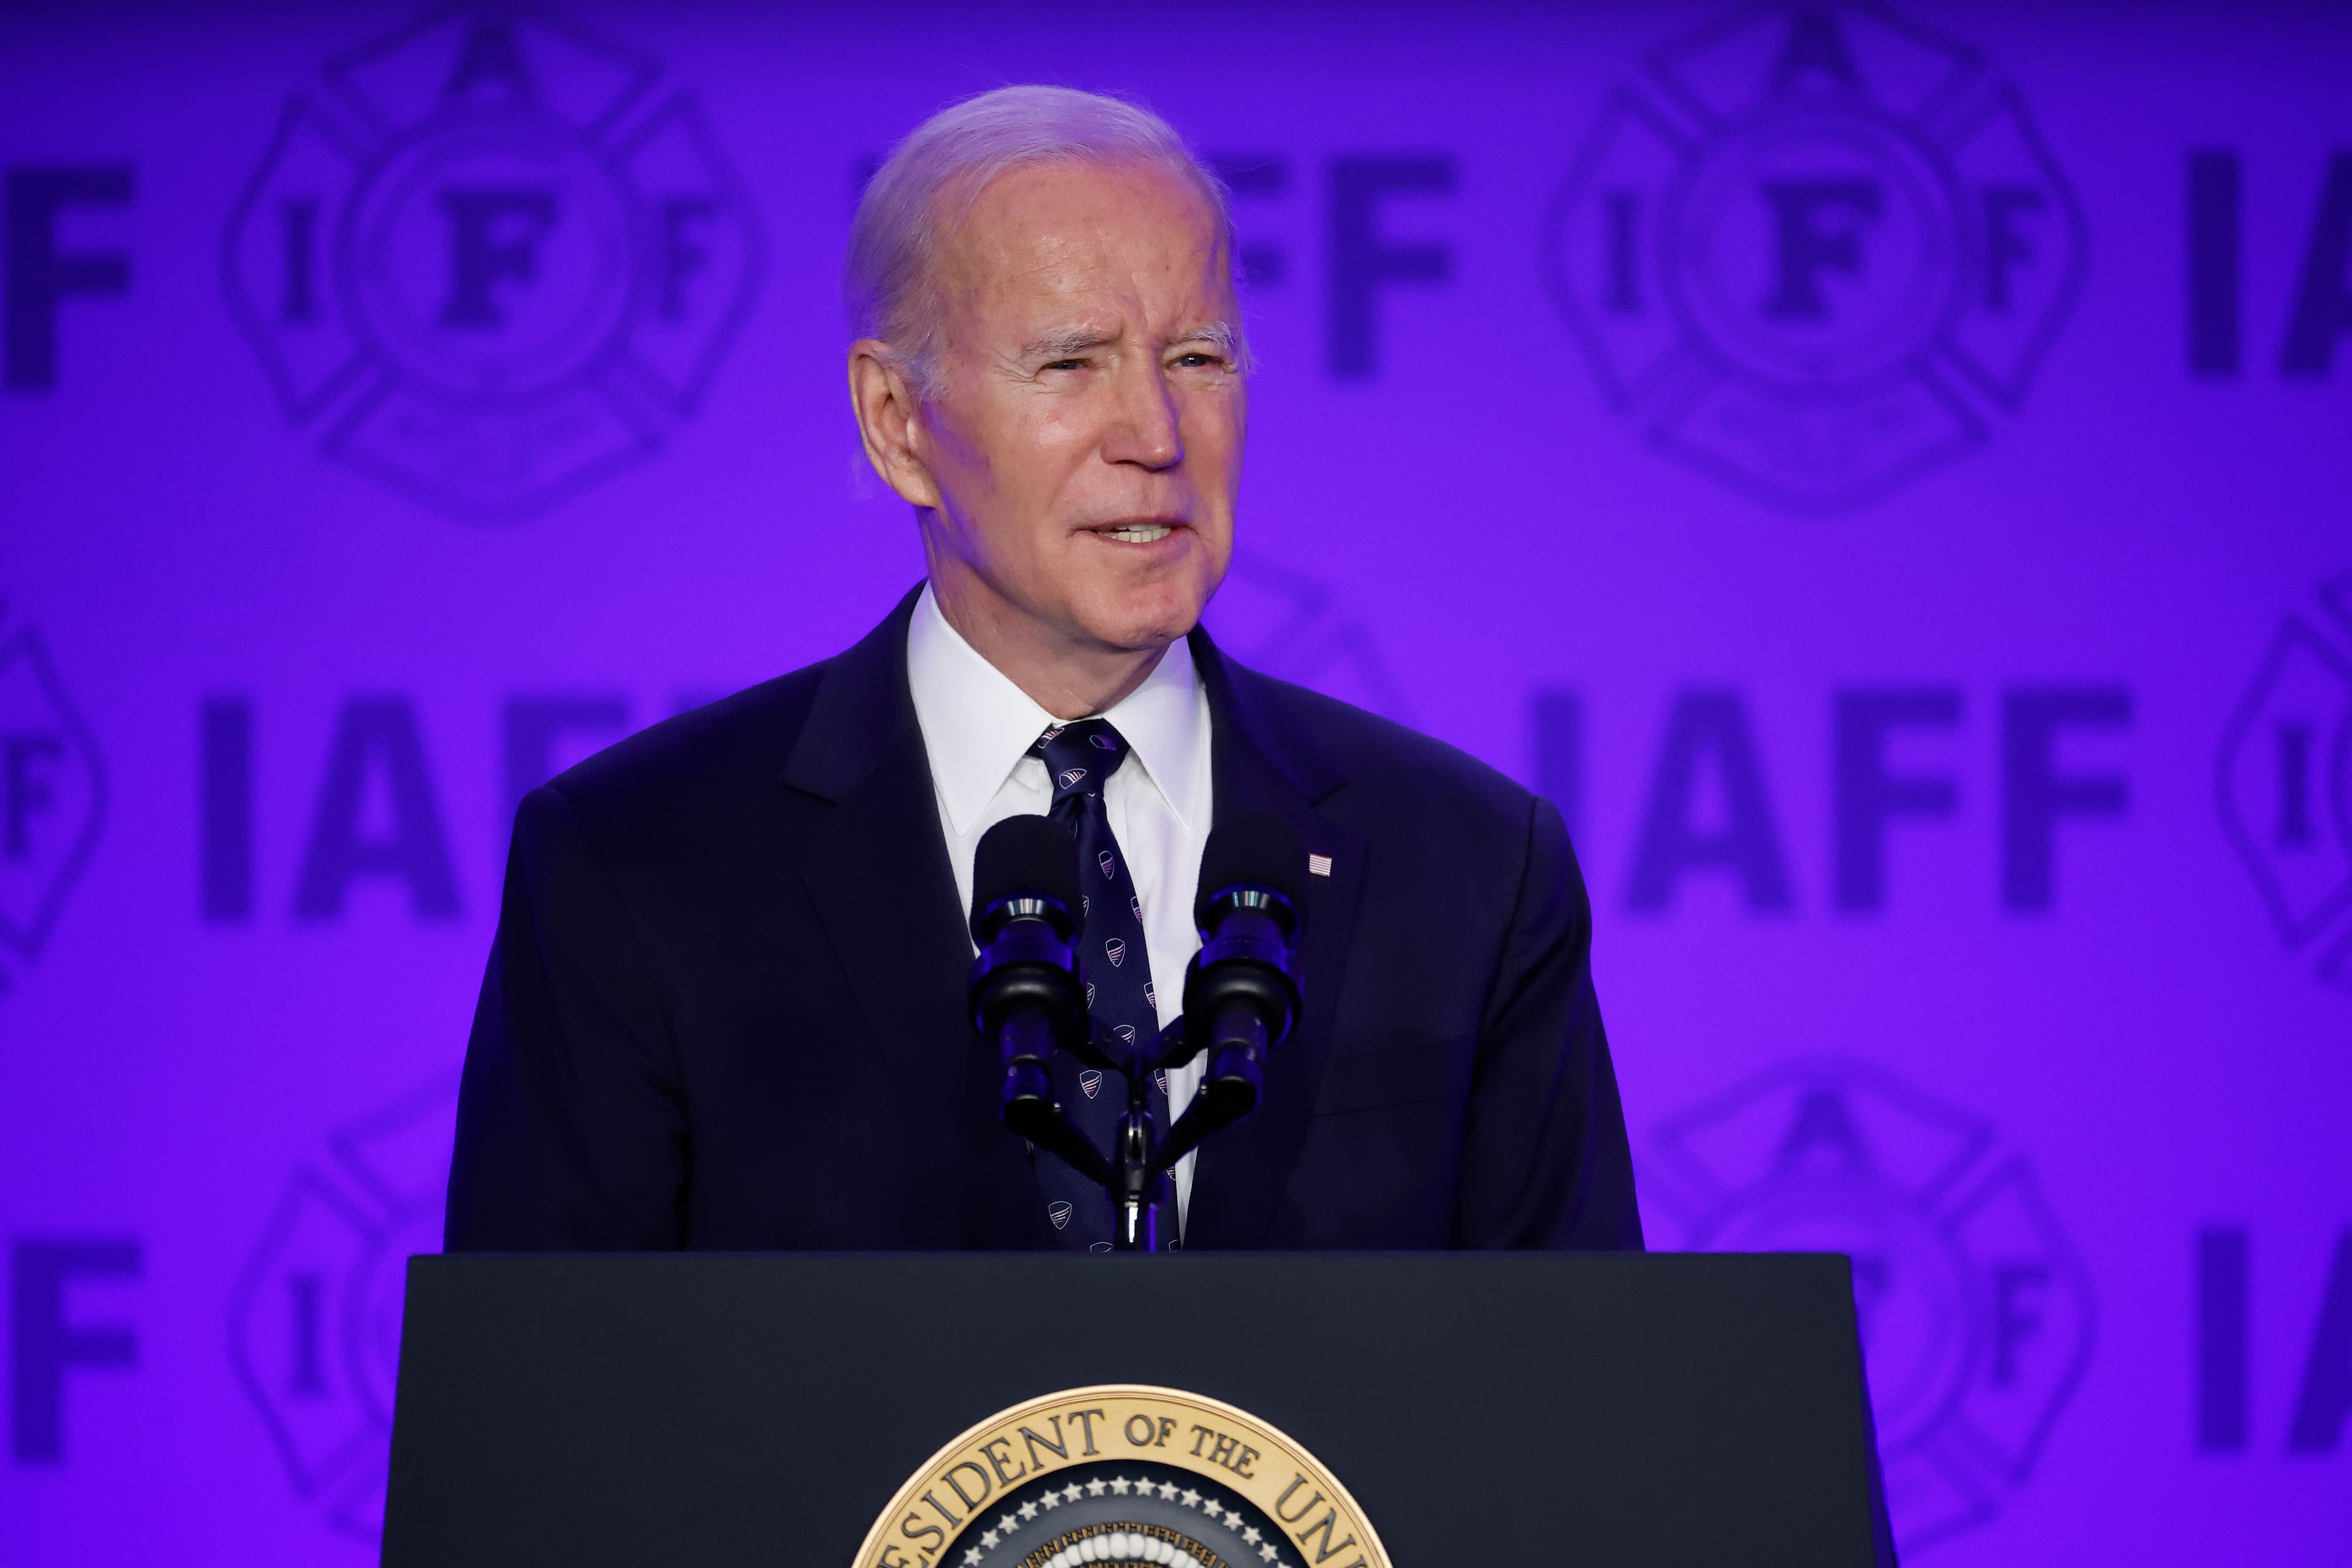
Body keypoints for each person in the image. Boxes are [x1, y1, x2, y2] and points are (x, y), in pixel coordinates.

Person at [443, 85, 1641, 1253]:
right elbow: (549, 1419)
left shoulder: (1474, 867)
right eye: (1073, 363)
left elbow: (1577, 1402)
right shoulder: (636, 865)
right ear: (896, 420)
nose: (1158, 436)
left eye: (1199, 358)